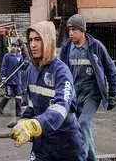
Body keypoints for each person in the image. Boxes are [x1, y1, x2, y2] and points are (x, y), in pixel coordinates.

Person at [9, 21, 85, 161]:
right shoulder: (31, 69)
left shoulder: (62, 72)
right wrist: (25, 119)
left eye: (38, 39)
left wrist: (34, 125)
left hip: (66, 144)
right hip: (42, 144)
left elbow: (61, 107)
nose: (32, 45)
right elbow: (33, 102)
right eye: (30, 40)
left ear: (48, 41)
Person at [59, 14, 116, 161]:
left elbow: (111, 70)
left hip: (92, 94)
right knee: (82, 128)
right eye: (69, 30)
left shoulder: (96, 47)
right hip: (74, 95)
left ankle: (81, 157)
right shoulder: (67, 47)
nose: (71, 33)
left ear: (83, 30)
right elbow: (60, 72)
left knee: (83, 123)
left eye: (74, 29)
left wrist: (113, 93)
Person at [0, 40, 24, 117]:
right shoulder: (7, 56)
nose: (13, 47)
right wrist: (3, 78)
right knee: (8, 95)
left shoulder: (20, 56)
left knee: (18, 96)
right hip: (9, 80)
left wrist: (25, 63)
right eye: (12, 46)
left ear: (17, 47)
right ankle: (1, 106)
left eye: (15, 46)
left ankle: (18, 111)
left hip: (17, 80)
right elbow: (4, 67)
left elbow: (22, 67)